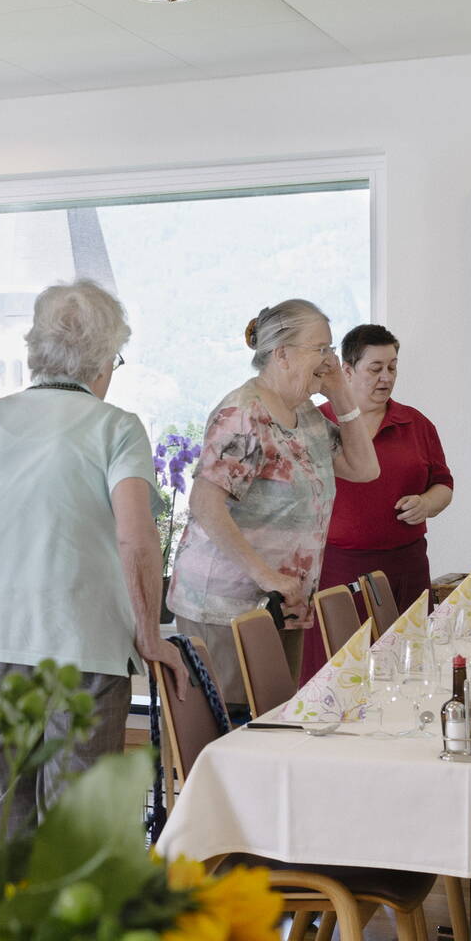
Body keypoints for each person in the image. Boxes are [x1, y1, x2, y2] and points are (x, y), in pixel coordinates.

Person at [0, 281, 186, 838]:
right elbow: (137, 541)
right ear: (101, 359)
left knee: (6, 823)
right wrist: (148, 633)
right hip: (84, 651)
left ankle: (13, 923)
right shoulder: (116, 427)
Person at [166, 299, 380, 701]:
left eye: (330, 349)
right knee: (234, 731)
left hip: (282, 601)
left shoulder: (308, 414)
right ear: (282, 354)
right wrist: (268, 577)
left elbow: (365, 468)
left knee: (273, 724)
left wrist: (341, 395)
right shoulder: (245, 414)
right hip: (226, 605)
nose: (329, 360)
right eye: (320, 349)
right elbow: (205, 504)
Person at [318, 323, 452, 619]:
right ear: (347, 371)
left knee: (409, 657)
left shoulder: (416, 423)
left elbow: (443, 485)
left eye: (392, 368)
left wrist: (427, 503)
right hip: (338, 570)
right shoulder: (318, 424)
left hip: (406, 566)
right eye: (375, 368)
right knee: (341, 662)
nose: (386, 378)